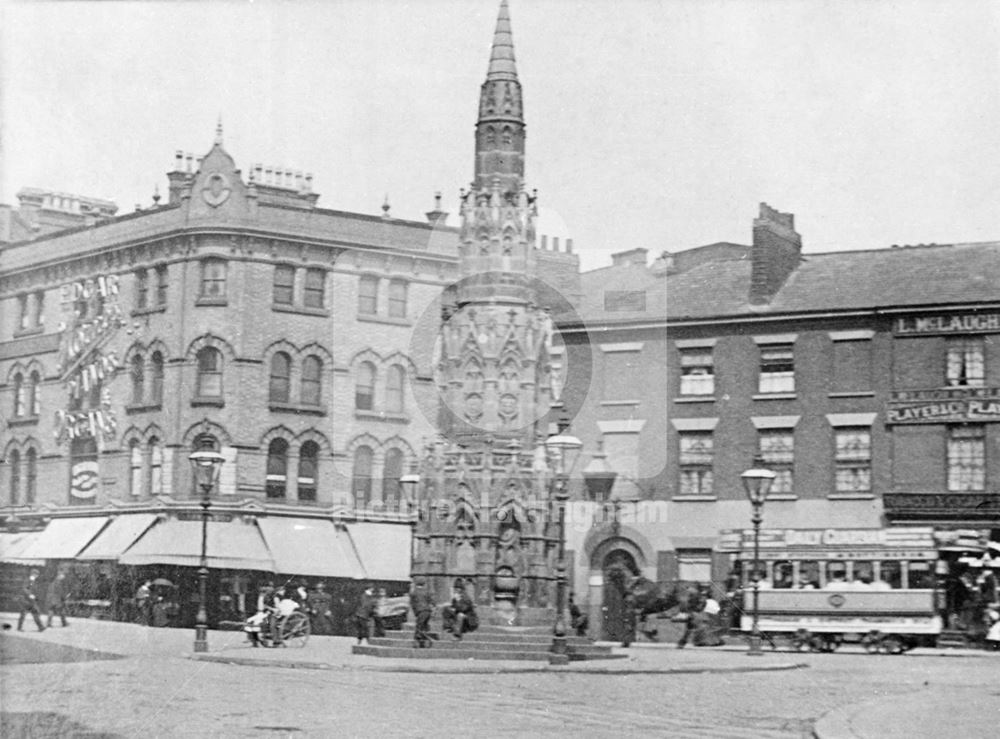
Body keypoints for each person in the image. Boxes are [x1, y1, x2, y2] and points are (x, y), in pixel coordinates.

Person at [409, 578, 435, 648]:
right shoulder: (427, 592)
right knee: (423, 627)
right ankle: (424, 642)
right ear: (424, 584)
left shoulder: (414, 593)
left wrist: (416, 613)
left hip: (420, 611)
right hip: (428, 611)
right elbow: (432, 602)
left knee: (419, 628)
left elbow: (412, 604)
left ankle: (426, 640)